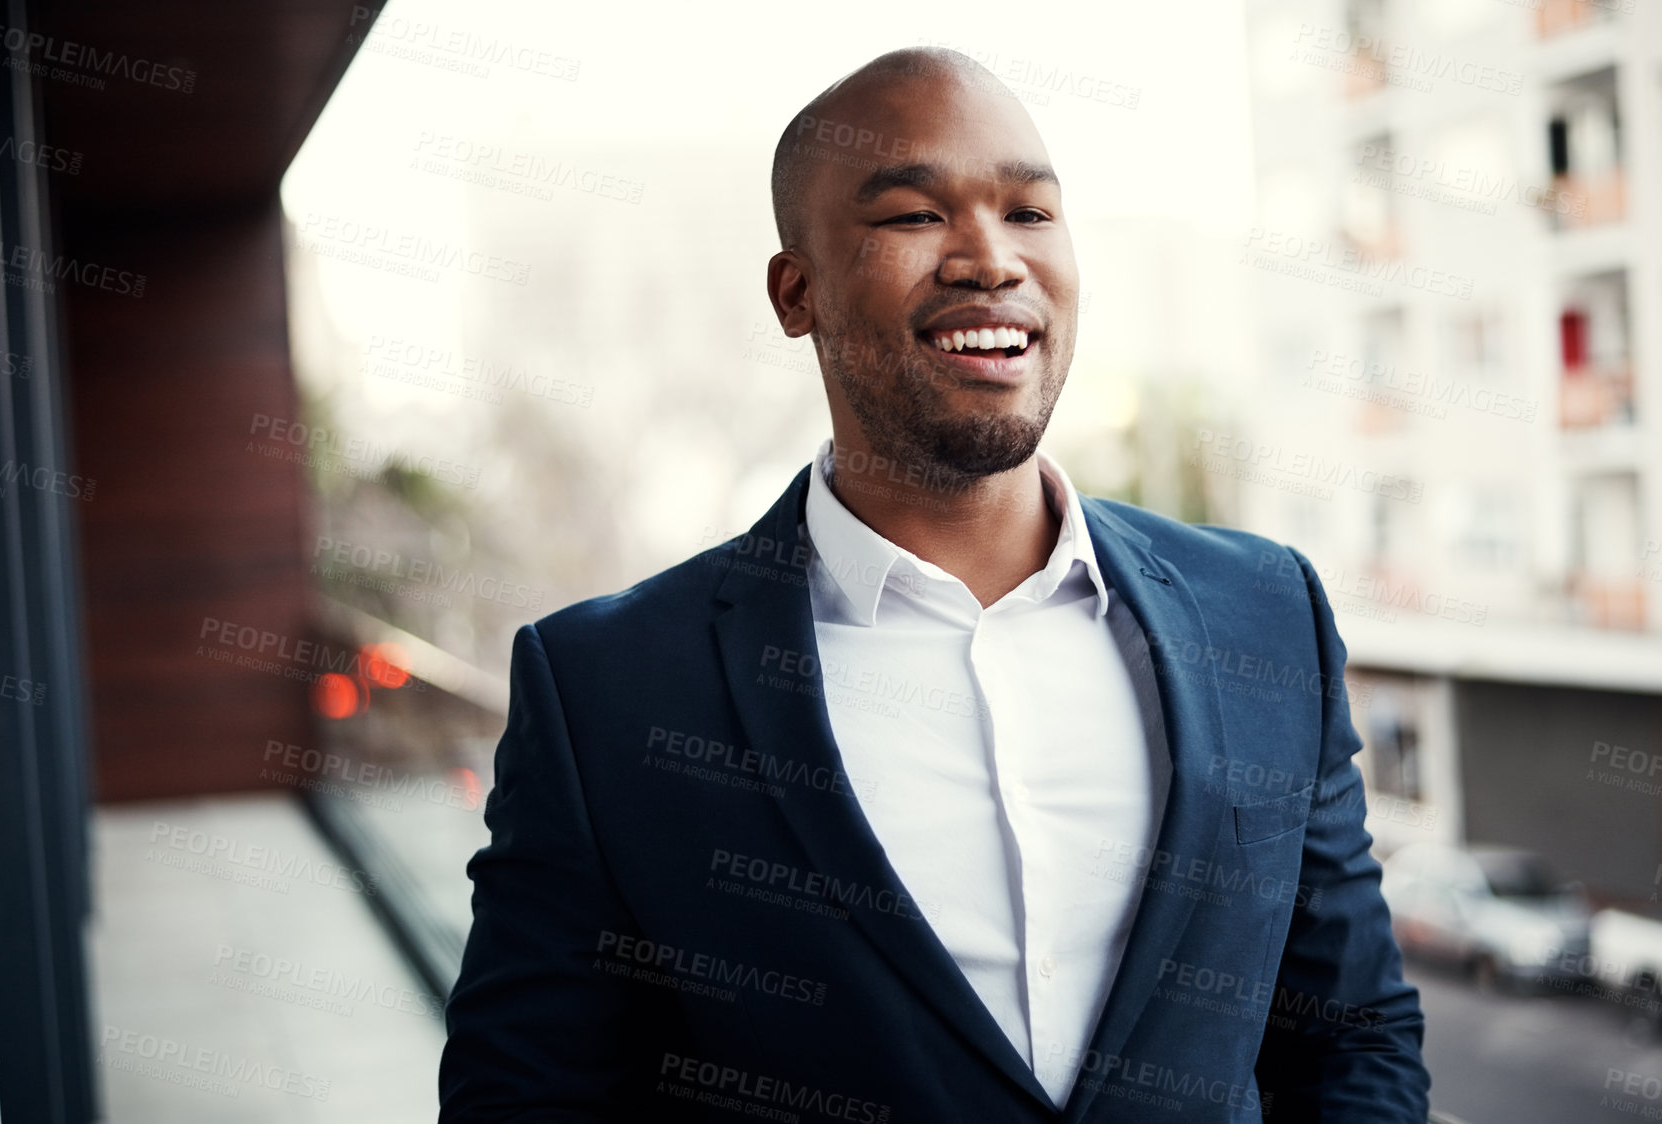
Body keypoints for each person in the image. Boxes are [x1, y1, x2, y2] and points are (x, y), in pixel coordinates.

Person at [439, 46, 1430, 1122]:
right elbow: (524, 1098)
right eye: (913, 216)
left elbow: (1354, 1037)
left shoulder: (1265, 613)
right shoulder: (607, 690)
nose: (988, 258)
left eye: (1028, 211)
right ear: (795, 292)